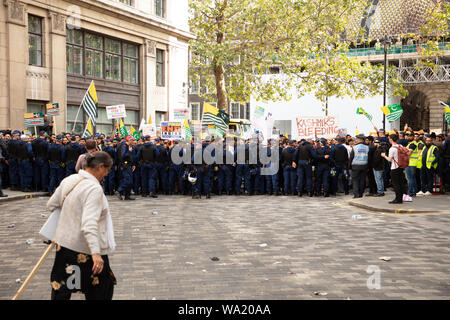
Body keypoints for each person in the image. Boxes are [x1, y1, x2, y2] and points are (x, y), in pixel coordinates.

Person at [47, 151, 116, 300]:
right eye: (107, 170)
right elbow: (89, 223)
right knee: (101, 288)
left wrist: (71, 217)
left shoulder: (70, 179)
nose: (106, 174)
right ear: (100, 167)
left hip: (64, 245)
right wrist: (96, 253)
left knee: (63, 287)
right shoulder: (94, 189)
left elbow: (52, 204)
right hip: (85, 249)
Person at [381, 134, 407, 204]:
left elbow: (389, 159)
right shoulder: (400, 146)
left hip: (394, 168)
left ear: (391, 140)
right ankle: (400, 198)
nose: (389, 140)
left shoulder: (392, 149)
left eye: (389, 139)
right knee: (401, 183)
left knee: (396, 184)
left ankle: (397, 199)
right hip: (401, 167)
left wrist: (384, 156)